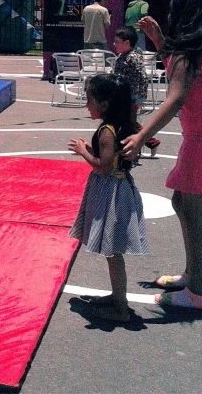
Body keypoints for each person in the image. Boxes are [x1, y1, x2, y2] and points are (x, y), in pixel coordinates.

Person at [121, 0, 202, 310]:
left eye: (175, 11)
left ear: (186, 16)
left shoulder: (189, 55)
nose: (170, 15)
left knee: (195, 216)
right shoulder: (195, 50)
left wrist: (141, 135)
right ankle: (192, 275)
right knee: (182, 203)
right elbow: (176, 70)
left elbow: (175, 99)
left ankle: (196, 293)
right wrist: (159, 40)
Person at [68, 73, 148, 322]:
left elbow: (103, 166)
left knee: (113, 251)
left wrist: (84, 152)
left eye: (89, 99)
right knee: (112, 251)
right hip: (120, 186)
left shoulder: (106, 131)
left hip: (111, 191)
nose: (86, 104)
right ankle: (117, 296)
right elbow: (112, 158)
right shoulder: (120, 126)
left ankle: (121, 308)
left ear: (104, 105)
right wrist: (93, 150)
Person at [113, 26, 160, 156]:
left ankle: (148, 143)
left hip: (131, 96)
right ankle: (149, 142)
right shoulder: (123, 56)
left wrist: (141, 98)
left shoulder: (133, 57)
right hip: (122, 95)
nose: (114, 44)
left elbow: (143, 77)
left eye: (117, 41)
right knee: (127, 122)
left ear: (127, 43)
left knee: (129, 122)